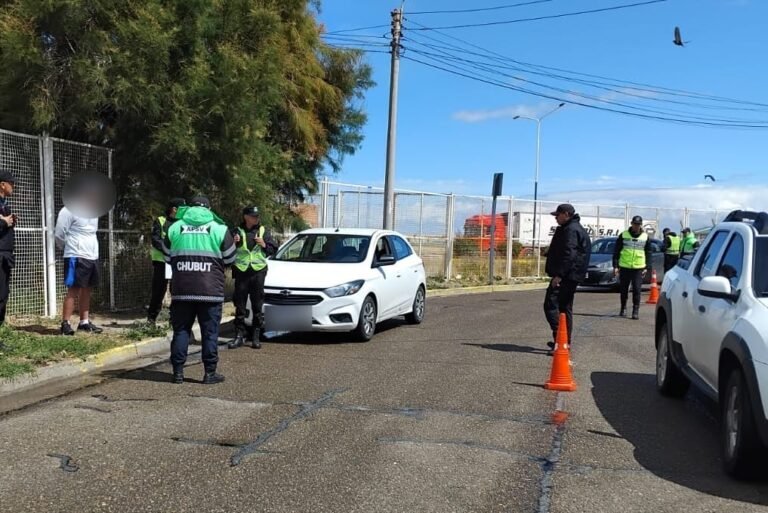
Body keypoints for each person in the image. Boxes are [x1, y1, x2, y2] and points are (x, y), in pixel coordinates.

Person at [163, 196, 236, 385]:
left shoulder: (175, 227)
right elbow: (230, 258)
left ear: (189, 208)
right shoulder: (219, 229)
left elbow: (166, 256)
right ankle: (209, 373)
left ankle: (177, 373)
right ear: (209, 209)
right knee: (210, 333)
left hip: (182, 290)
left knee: (181, 331)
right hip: (210, 291)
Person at [543, 204, 591, 354]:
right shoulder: (572, 228)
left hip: (566, 276)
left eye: (558, 215)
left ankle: (561, 340)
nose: (556, 218)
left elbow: (569, 254)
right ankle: (563, 342)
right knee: (564, 308)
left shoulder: (571, 230)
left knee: (551, 305)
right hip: (571, 275)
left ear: (566, 214)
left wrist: (559, 275)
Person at [228, 206, 278, 350]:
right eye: (253, 216)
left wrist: (264, 244)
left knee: (257, 305)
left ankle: (256, 337)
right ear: (246, 217)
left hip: (258, 271)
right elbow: (226, 250)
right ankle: (239, 336)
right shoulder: (236, 231)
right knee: (240, 305)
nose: (256, 218)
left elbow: (273, 249)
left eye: (257, 216)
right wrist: (233, 242)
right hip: (242, 271)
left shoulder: (263, 231)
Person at [55, 197, 103, 335]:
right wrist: (68, 248)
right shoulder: (68, 210)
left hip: (92, 255)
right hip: (75, 255)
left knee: (87, 288)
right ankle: (65, 323)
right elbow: (59, 234)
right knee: (74, 288)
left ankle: (84, 322)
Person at [147, 198, 186, 324]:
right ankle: (151, 319)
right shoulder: (160, 221)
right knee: (158, 291)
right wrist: (168, 250)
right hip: (162, 262)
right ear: (174, 209)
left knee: (176, 290)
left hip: (177, 261)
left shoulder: (183, 223)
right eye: (183, 209)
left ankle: (173, 318)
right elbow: (155, 239)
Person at [613, 215, 652, 320]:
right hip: (625, 266)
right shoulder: (624, 235)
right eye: (635, 224)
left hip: (638, 268)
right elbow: (616, 251)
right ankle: (623, 308)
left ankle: (635, 311)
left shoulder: (645, 237)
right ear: (631, 224)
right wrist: (615, 266)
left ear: (641, 225)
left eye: (638, 224)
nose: (636, 226)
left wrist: (647, 267)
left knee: (637, 290)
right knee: (623, 289)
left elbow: (648, 253)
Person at [0, 170, 17, 330]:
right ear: (2, 185)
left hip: (6, 254)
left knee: (3, 295)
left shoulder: (4, 204)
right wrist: (3, 222)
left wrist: (9, 222)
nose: (13, 186)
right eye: (11, 183)